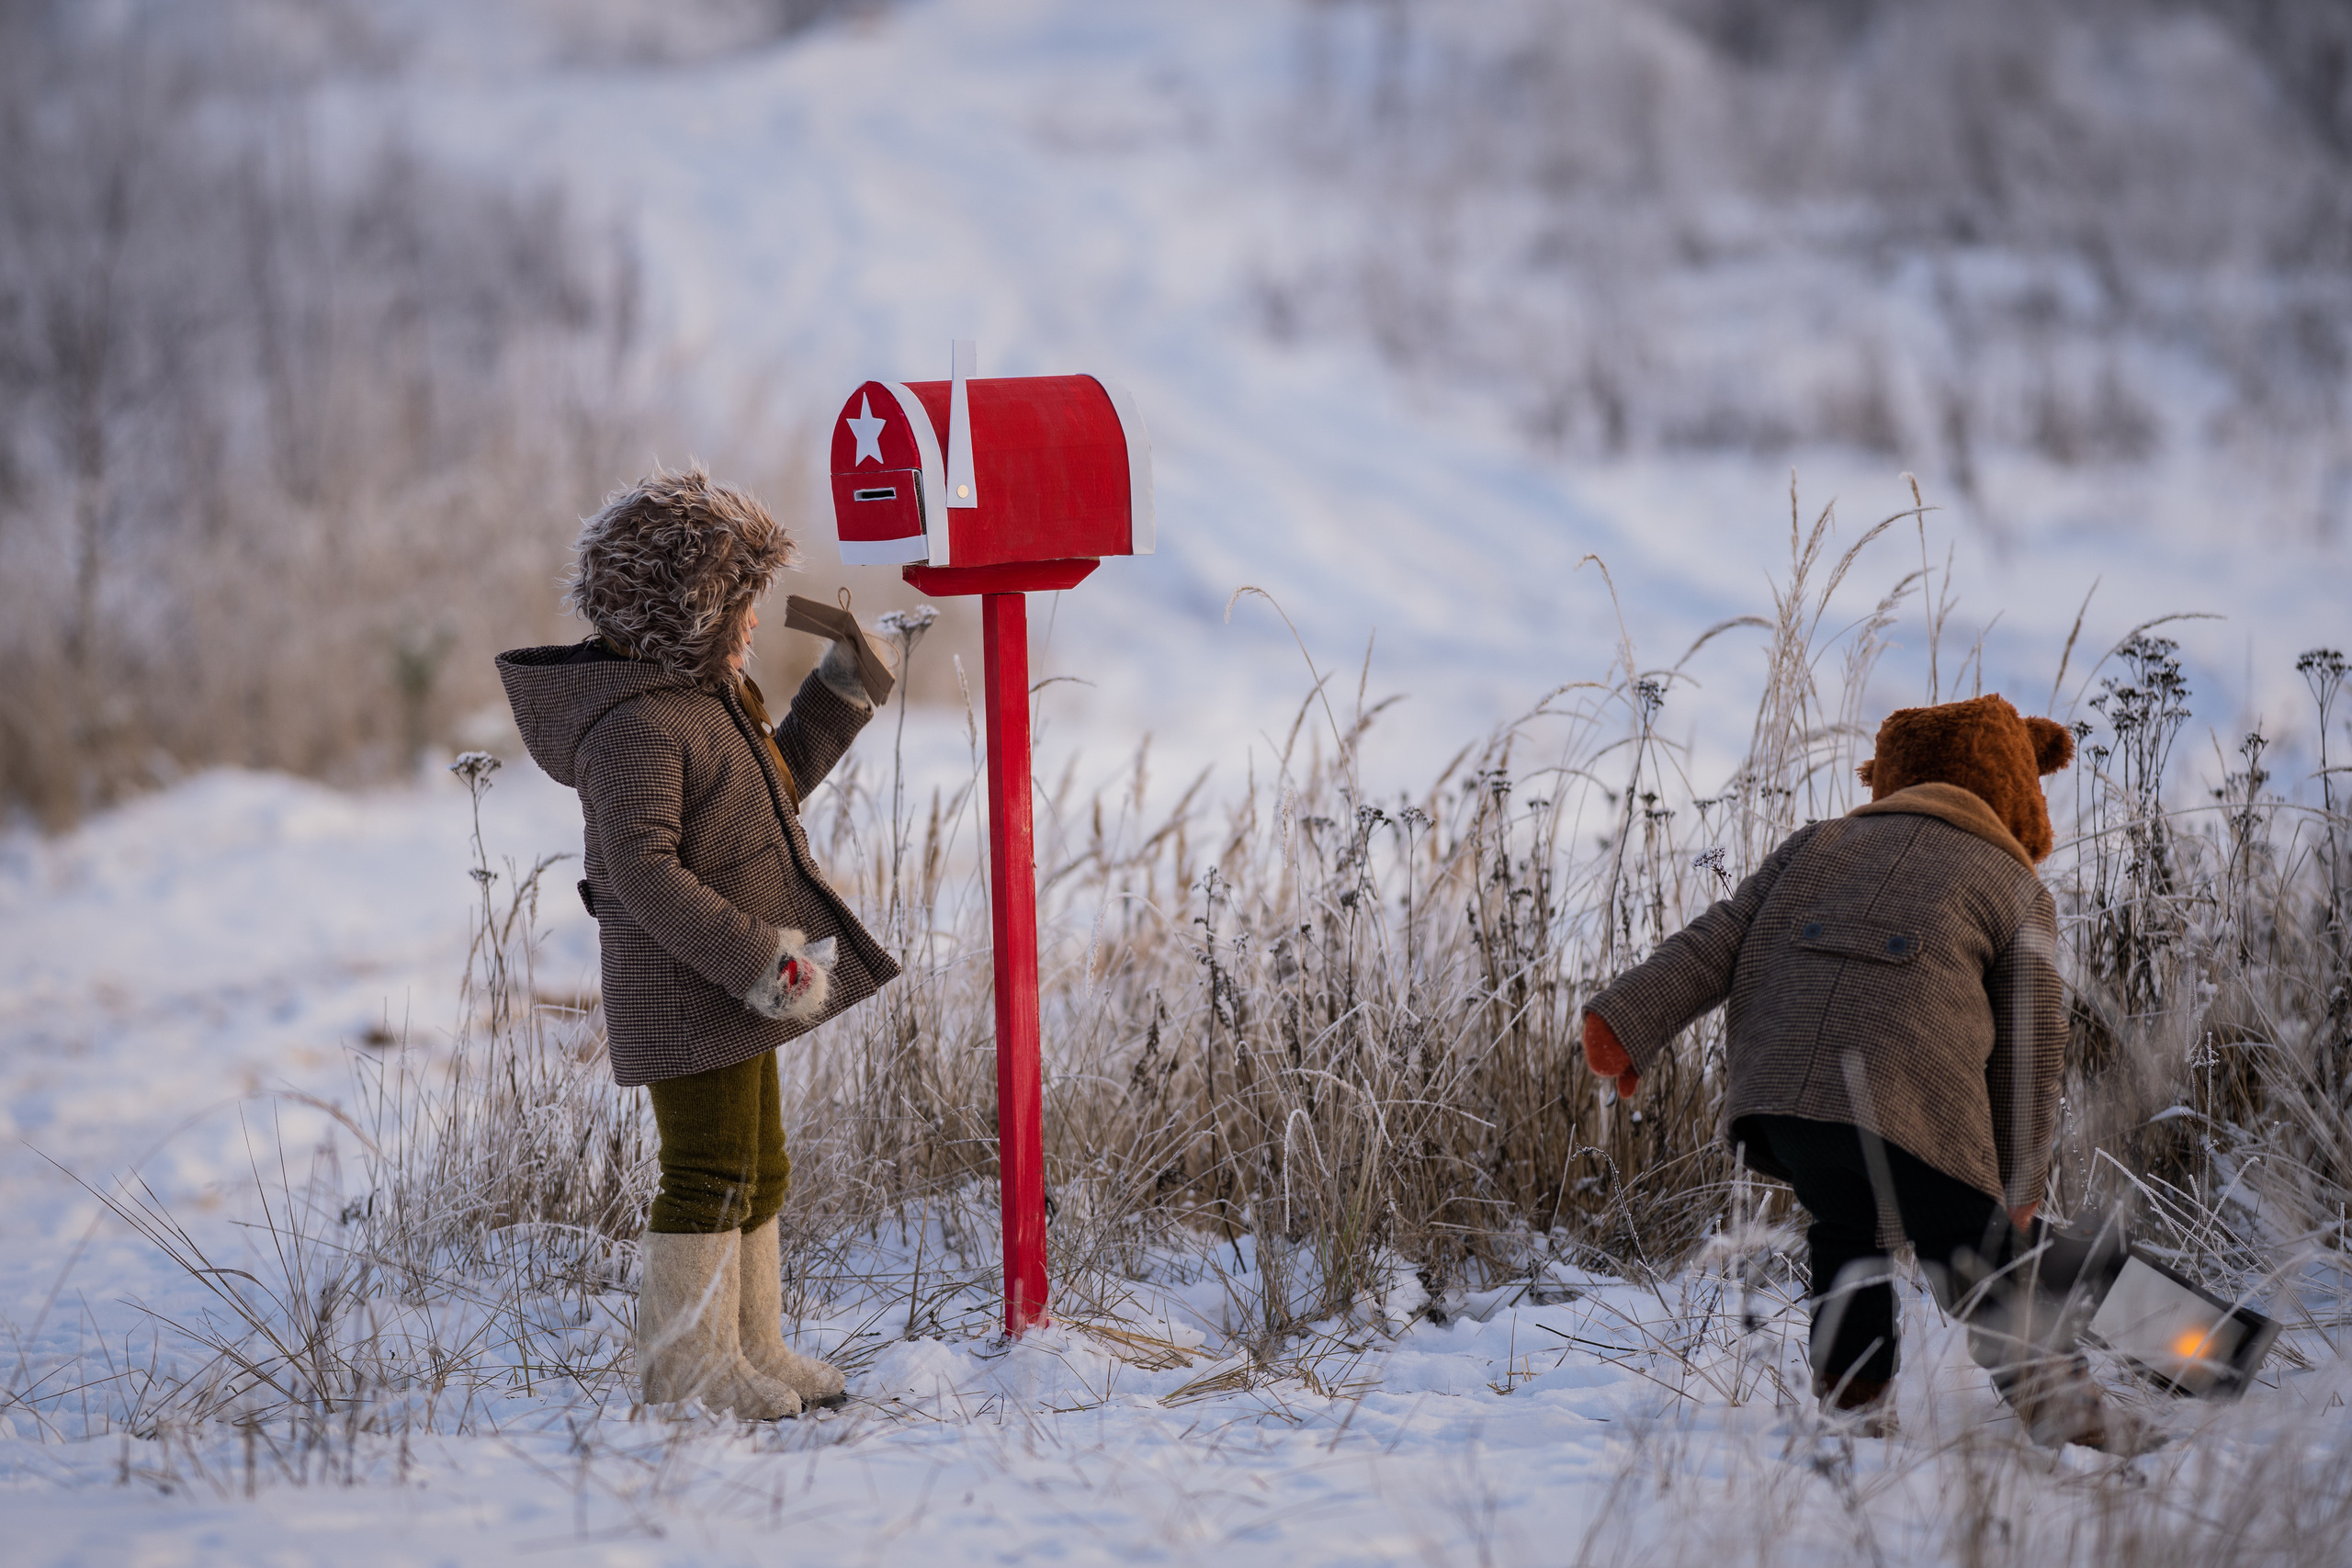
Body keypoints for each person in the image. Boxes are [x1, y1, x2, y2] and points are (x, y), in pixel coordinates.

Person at [1582, 693, 2152, 1450]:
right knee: (1972, 1253)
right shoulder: (2014, 887)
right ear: (2022, 789)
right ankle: (2060, 1404)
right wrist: (2018, 1186)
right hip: (1910, 1095)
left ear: (1888, 775)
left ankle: (1851, 1403)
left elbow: (1714, 938)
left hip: (1785, 1094)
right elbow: (2030, 1053)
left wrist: (1625, 1020)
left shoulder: (1812, 846)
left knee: (1848, 1229)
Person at [496, 467, 899, 1420]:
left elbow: (770, 789)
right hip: (691, 986)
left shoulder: (704, 697)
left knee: (759, 1168)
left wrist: (839, 694)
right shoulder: (634, 723)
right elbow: (643, 872)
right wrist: (760, 959)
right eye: (738, 603)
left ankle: (749, 1344)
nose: (755, 622)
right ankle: (684, 1367)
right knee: (708, 1172)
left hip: (736, 981)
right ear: (686, 607)